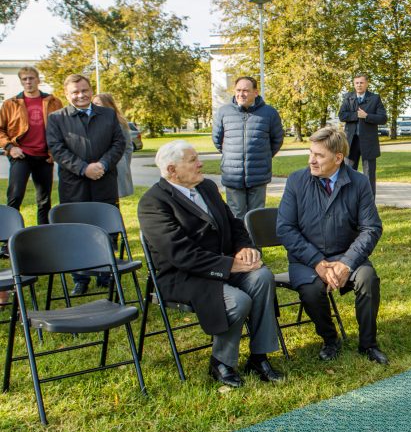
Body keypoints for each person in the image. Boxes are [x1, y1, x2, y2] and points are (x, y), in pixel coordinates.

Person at [138, 140, 284, 387]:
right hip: (182, 276)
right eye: (193, 160)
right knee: (239, 301)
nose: (200, 163)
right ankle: (222, 362)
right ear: (172, 170)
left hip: (222, 265)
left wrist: (245, 248)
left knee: (262, 277)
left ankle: (259, 356)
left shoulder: (206, 187)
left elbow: (234, 223)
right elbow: (180, 254)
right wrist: (231, 266)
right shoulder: (153, 203)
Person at [277, 126, 386, 364]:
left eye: (318, 155)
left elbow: (372, 228)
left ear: (338, 158)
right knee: (311, 290)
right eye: (310, 153)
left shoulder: (359, 182)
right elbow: (285, 228)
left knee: (368, 278)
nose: (311, 160)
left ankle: (368, 343)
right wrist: (317, 262)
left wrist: (347, 263)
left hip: (346, 255)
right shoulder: (297, 180)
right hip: (306, 259)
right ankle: (330, 339)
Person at [46, 74, 126, 296]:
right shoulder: (56, 118)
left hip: (105, 181)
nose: (80, 95)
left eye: (84, 90)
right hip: (74, 185)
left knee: (107, 229)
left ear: (91, 90)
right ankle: (80, 277)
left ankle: (106, 273)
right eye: (75, 92)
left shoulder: (108, 115)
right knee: (75, 231)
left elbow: (119, 143)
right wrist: (83, 168)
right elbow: (57, 149)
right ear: (67, 94)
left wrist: (103, 164)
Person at [0, 66, 62, 305]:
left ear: (38, 79)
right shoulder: (11, 104)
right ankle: (7, 241)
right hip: (21, 154)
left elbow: (59, 129)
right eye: (24, 79)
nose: (28, 82)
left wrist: (54, 152)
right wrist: (9, 148)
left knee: (44, 199)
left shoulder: (52, 101)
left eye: (32, 78)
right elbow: (2, 130)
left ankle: (43, 239)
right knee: (14, 196)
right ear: (21, 81)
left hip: (44, 156)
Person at [212, 76, 284, 219]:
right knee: (236, 215)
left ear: (255, 92)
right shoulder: (224, 112)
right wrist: (231, 155)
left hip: (258, 174)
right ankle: (239, 242)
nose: (241, 94)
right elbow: (217, 140)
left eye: (246, 90)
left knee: (256, 217)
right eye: (238, 90)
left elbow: (277, 140)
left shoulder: (269, 113)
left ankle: (254, 242)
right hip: (232, 174)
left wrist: (262, 157)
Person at [338, 73, 387, 196]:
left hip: (369, 143)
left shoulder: (375, 98)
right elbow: (342, 115)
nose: (359, 85)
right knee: (348, 173)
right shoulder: (348, 97)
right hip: (351, 142)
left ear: (367, 83)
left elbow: (383, 118)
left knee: (369, 175)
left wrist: (367, 116)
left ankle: (370, 204)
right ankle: (347, 200)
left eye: (361, 82)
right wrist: (356, 115)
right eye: (357, 83)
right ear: (354, 84)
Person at [92, 93, 134, 200]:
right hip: (99, 167)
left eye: (97, 103)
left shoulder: (118, 122)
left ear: (107, 105)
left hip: (115, 166)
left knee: (112, 199)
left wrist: (124, 164)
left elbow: (128, 147)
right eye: (93, 104)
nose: (94, 106)